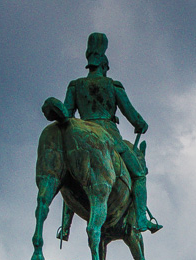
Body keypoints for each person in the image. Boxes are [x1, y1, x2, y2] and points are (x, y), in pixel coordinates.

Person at [61, 32, 162, 234]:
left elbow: (67, 114)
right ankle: (142, 219)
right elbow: (133, 116)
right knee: (140, 174)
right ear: (105, 67)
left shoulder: (75, 85)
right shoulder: (112, 85)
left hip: (81, 133)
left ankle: (65, 227)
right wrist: (141, 124)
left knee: (69, 172)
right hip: (109, 135)